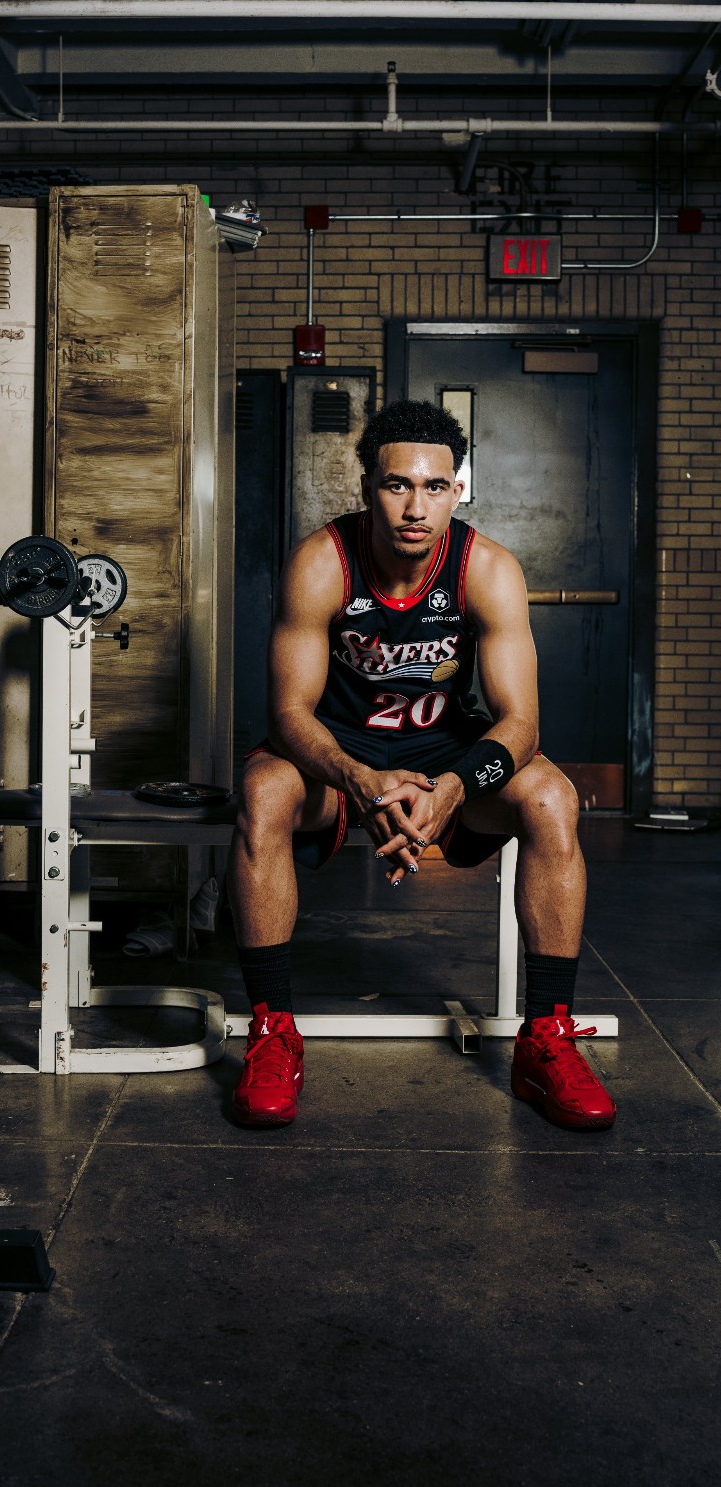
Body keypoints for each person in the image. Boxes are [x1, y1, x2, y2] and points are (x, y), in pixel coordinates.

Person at [229, 397, 615, 1133]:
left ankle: (546, 1038)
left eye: (435, 487)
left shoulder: (487, 569)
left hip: (446, 753)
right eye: (397, 485)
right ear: (367, 488)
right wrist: (359, 780)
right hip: (338, 752)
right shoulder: (321, 563)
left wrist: (455, 788)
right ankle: (273, 1031)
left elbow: (521, 724)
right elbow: (288, 715)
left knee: (553, 798)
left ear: (457, 490)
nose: (416, 507)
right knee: (262, 791)